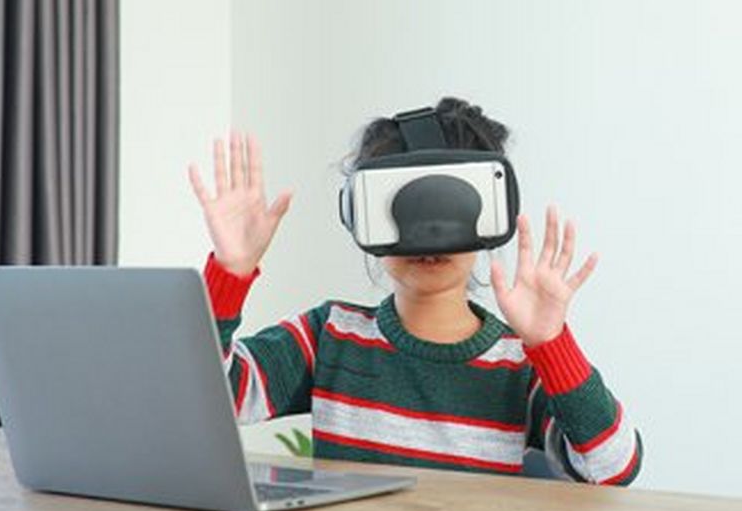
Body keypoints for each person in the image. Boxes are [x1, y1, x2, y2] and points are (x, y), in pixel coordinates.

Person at [187, 97, 642, 485]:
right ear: (359, 216)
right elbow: (207, 396)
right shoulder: (328, 337)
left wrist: (551, 344)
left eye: (450, 202)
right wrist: (231, 273)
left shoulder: (518, 366)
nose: (428, 227)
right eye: (400, 204)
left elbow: (612, 467)